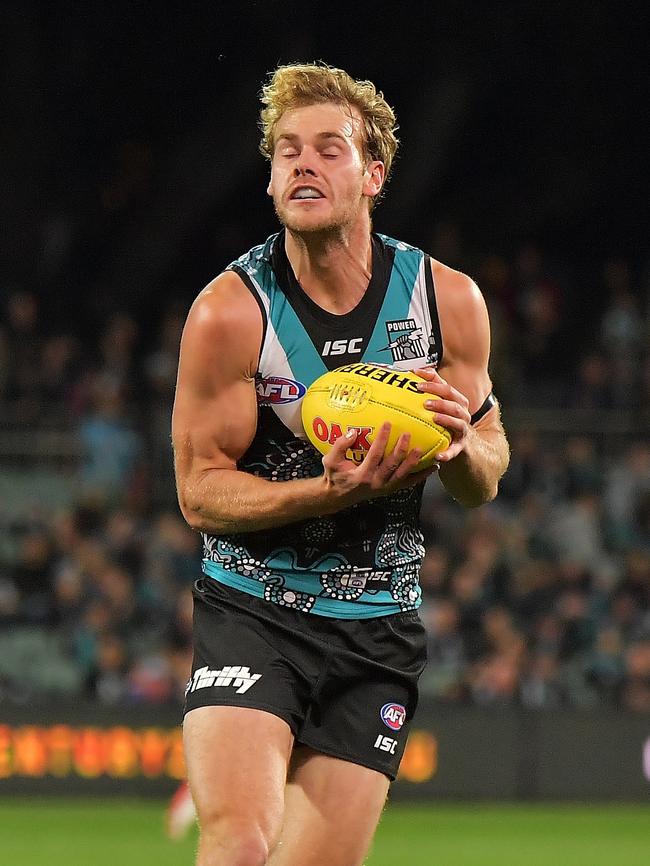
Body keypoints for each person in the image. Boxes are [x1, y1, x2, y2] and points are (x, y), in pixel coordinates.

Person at [171, 62, 509, 866]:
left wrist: (461, 448)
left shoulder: (444, 301)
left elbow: (486, 467)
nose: (303, 164)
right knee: (242, 844)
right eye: (287, 151)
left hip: (378, 627)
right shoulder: (230, 312)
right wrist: (322, 491)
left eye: (329, 148)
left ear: (373, 176)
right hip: (254, 608)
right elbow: (199, 493)